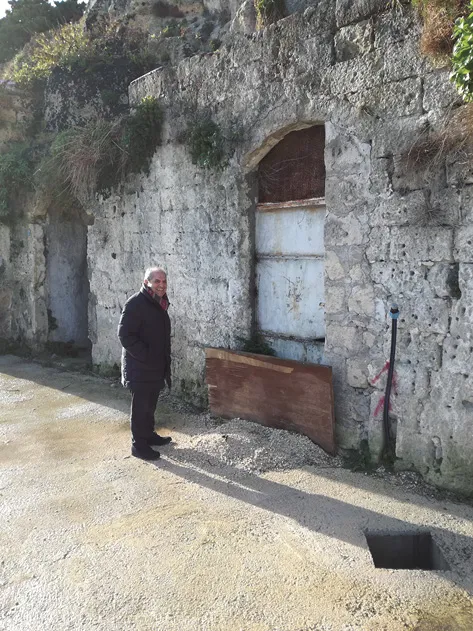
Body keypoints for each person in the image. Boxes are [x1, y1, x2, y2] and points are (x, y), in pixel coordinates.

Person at [118, 266, 172, 461]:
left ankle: (148, 435)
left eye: (164, 281)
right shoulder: (135, 304)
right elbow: (125, 335)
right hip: (139, 367)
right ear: (146, 283)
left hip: (155, 366)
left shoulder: (160, 304)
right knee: (140, 408)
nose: (161, 285)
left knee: (150, 405)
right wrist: (147, 356)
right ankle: (138, 446)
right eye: (157, 281)